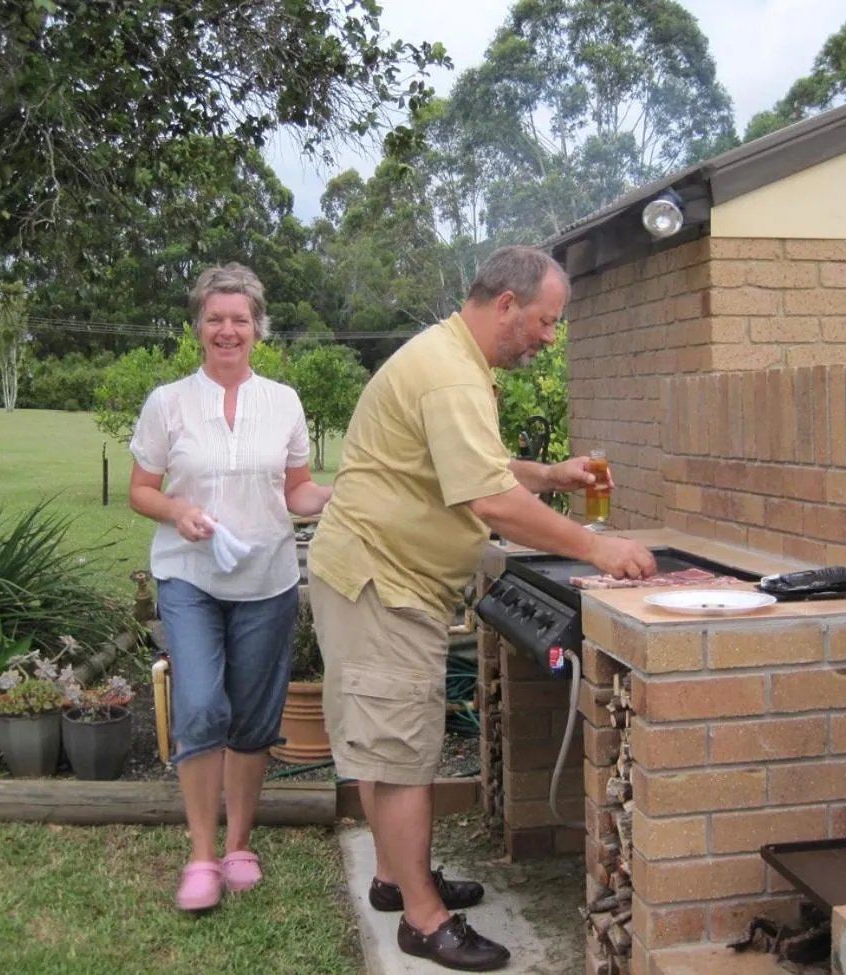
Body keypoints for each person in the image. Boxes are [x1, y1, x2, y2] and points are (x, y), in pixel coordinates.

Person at [307, 245, 658, 970]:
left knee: (385, 743)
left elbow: (473, 465)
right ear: (505, 304)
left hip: (377, 577)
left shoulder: (454, 362)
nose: (548, 338)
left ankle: (393, 878)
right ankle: (423, 920)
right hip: (382, 583)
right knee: (403, 757)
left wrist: (550, 475)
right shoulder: (448, 374)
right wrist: (598, 548)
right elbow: (490, 499)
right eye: (544, 321)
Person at [128, 263, 331, 914]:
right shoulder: (168, 402)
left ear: (257, 327)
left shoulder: (284, 402)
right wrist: (177, 513)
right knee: (200, 709)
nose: (227, 330)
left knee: (252, 716)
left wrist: (335, 493)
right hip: (189, 575)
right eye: (215, 318)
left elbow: (295, 490)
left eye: (239, 319)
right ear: (198, 326)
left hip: (268, 577)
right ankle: (200, 853)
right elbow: (141, 489)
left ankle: (239, 844)